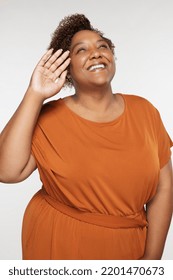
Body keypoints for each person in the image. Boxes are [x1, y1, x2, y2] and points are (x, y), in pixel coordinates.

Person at [0, 13, 173, 260]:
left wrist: (152, 261)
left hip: (127, 246)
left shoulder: (145, 111)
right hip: (57, 244)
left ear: (112, 56)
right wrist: (34, 94)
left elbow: (163, 187)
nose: (96, 53)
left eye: (103, 46)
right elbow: (6, 171)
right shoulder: (47, 117)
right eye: (81, 50)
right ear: (66, 68)